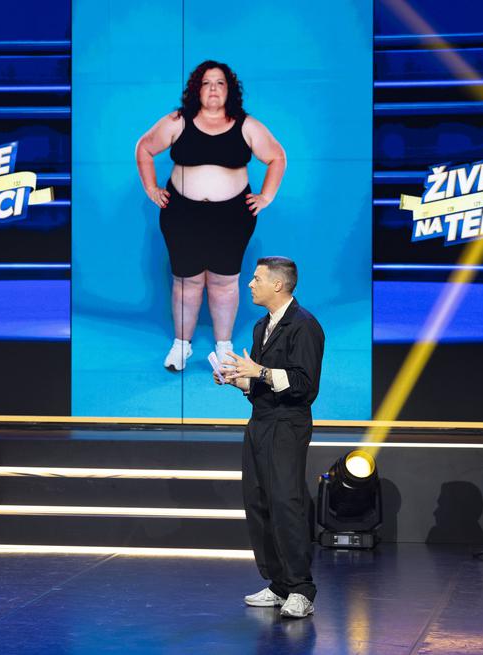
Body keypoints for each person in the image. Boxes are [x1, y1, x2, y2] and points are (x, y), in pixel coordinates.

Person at [136, 60, 286, 371]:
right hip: (182, 215)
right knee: (185, 282)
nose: (213, 89)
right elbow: (144, 148)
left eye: (220, 83)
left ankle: (224, 349)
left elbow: (277, 156)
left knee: (225, 283)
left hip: (231, 217)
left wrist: (267, 196)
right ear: (197, 90)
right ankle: (181, 346)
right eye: (206, 83)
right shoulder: (178, 121)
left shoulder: (247, 125)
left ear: (229, 90)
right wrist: (151, 188)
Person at [216, 256, 324, 619]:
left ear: (278, 284)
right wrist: (238, 381)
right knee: (259, 502)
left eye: (257, 278)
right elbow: (262, 386)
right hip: (260, 422)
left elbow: (305, 385)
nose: (250, 284)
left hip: (288, 425)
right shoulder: (262, 325)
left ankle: (301, 588)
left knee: (285, 503)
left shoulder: (304, 325)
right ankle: (278, 583)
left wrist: (260, 371)